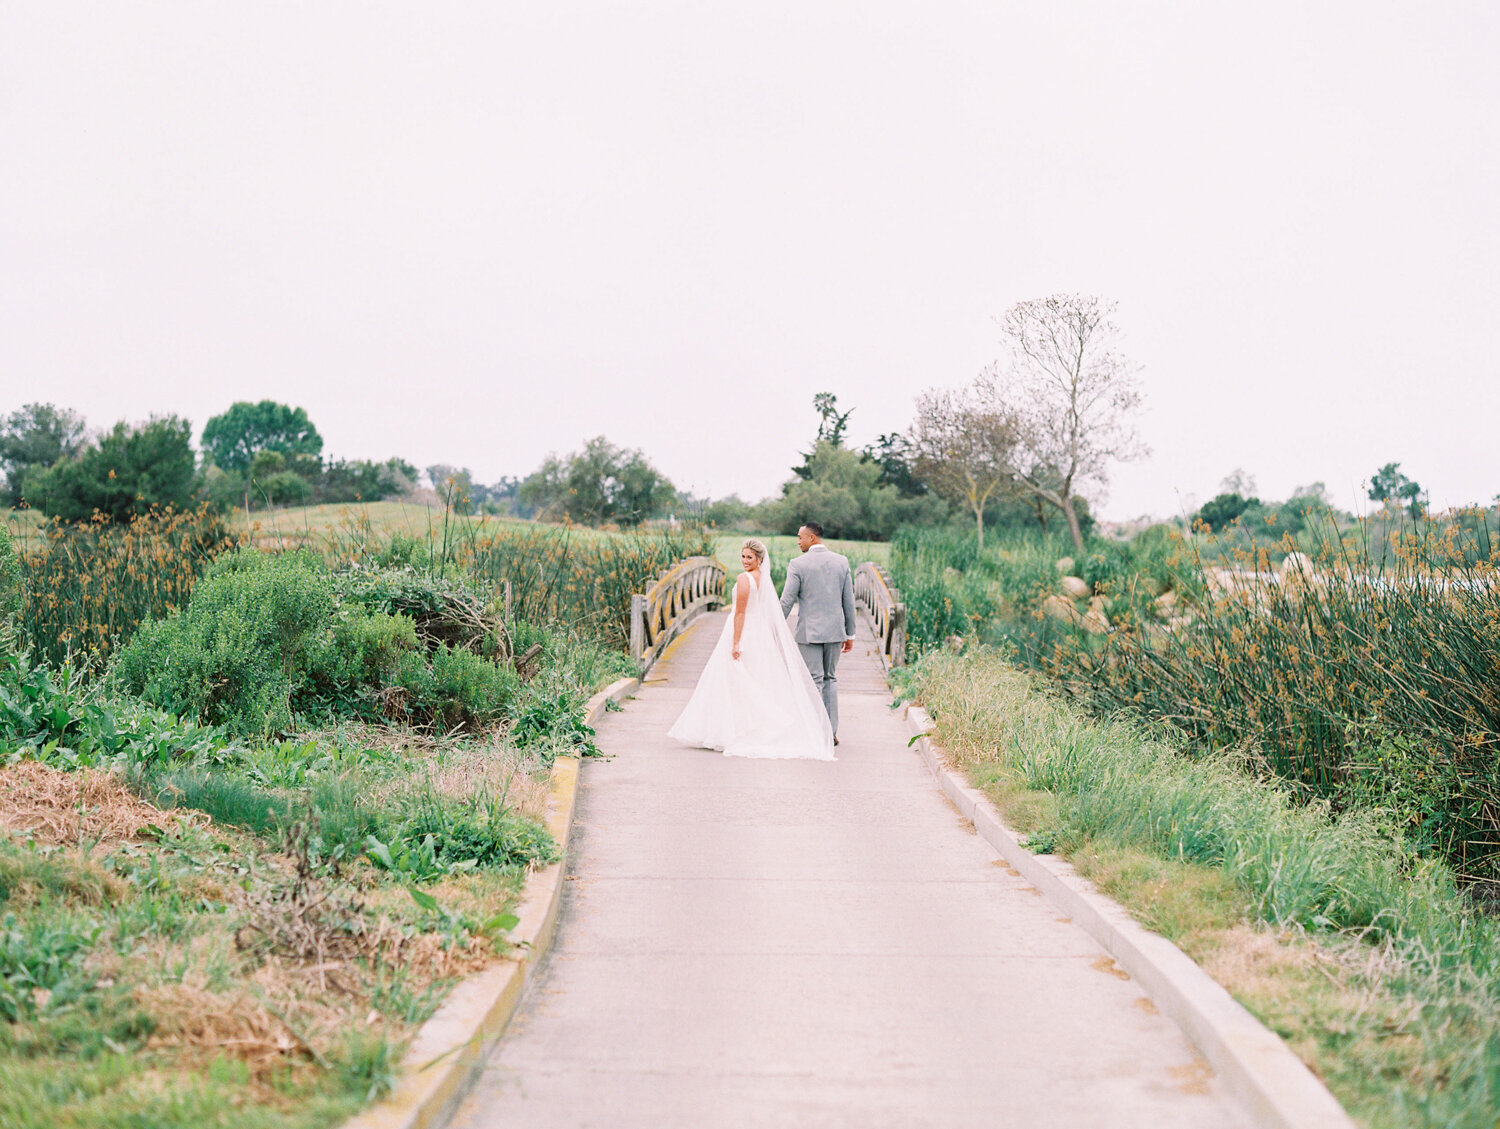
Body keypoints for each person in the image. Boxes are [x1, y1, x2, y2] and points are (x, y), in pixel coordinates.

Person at [667, 538, 835, 760]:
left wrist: (736, 643)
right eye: (743, 556)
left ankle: (739, 730)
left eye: (749, 557)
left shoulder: (744, 579)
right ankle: (745, 725)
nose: (745, 561)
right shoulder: (763, 579)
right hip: (759, 632)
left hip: (743, 631)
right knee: (755, 678)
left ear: (759, 559)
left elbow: (740, 613)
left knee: (735, 678)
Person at [779, 521, 856, 745]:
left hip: (808, 633)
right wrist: (850, 634)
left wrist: (773, 625)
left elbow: (786, 601)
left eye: (800, 537)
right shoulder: (841, 562)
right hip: (835, 631)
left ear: (812, 538)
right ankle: (830, 732)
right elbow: (848, 601)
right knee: (830, 678)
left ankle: (814, 730)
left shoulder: (797, 564)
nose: (798, 541)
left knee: (814, 681)